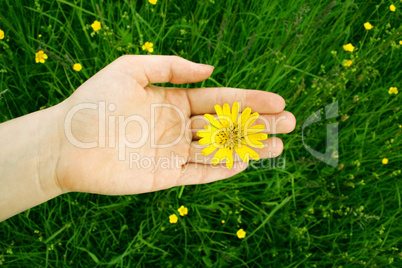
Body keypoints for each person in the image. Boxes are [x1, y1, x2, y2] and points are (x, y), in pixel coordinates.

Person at [0, 55, 296, 221]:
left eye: (233, 135)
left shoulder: (229, 133)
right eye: (230, 133)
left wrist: (57, 147)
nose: (231, 134)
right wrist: (59, 143)